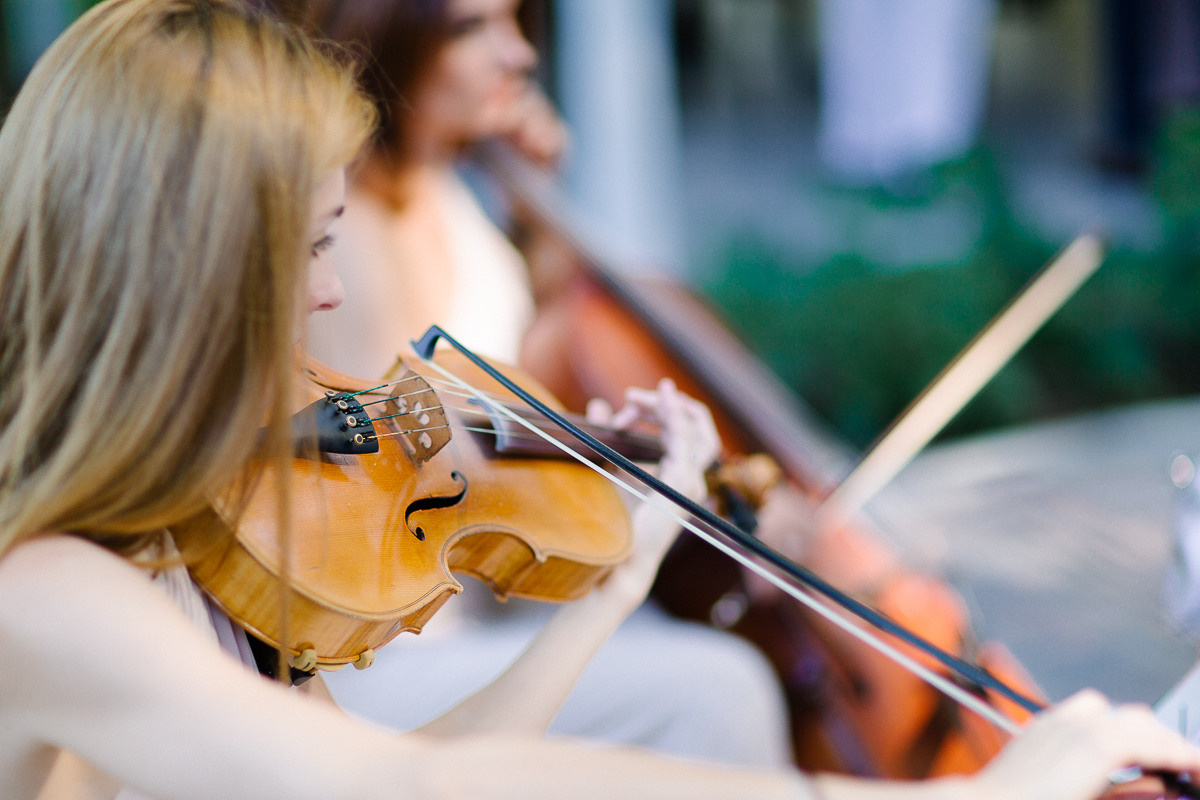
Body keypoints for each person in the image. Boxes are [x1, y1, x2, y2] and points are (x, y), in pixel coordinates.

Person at [0, 2, 1197, 799]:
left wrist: (617, 577)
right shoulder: (45, 589)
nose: (327, 293)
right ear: (188, 269)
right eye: (308, 245)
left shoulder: (188, 531)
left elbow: (404, 762)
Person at [297, 0, 794, 767]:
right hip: (398, 642)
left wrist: (538, 209)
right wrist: (602, 508)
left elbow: (521, 358)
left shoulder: (450, 191)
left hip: (489, 609)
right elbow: (399, 498)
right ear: (390, 43)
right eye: (471, 29)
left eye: (514, 20)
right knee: (721, 686)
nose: (519, 55)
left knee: (688, 652)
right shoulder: (347, 245)